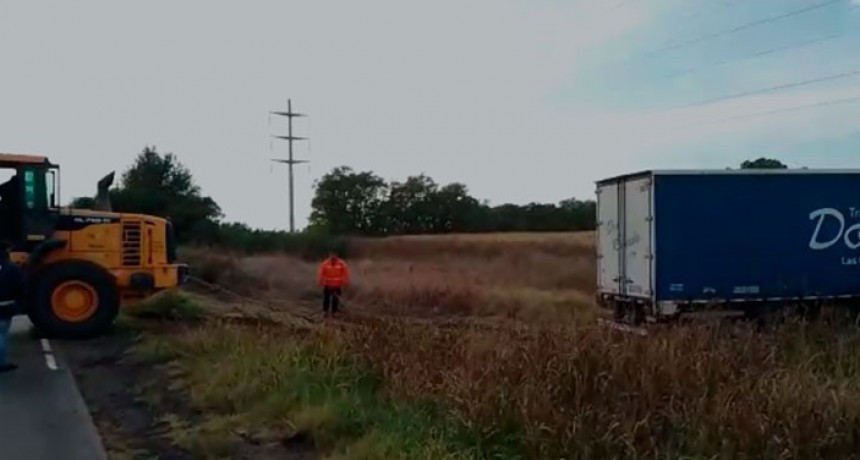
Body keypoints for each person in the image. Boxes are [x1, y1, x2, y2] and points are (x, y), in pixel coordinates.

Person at [0, 240, 24, 373]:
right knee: (1, 335)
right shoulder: (12, 268)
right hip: (5, 307)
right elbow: (20, 287)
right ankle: (1, 364)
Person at [316, 250, 350, 318]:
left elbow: (345, 274)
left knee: (335, 300)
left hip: (337, 285)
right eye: (331, 254)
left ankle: (334, 312)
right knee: (326, 299)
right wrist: (320, 281)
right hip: (327, 285)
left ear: (337, 255)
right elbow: (321, 273)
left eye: (334, 254)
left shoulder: (341, 264)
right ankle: (325, 312)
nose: (333, 256)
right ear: (329, 255)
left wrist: (345, 282)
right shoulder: (325, 263)